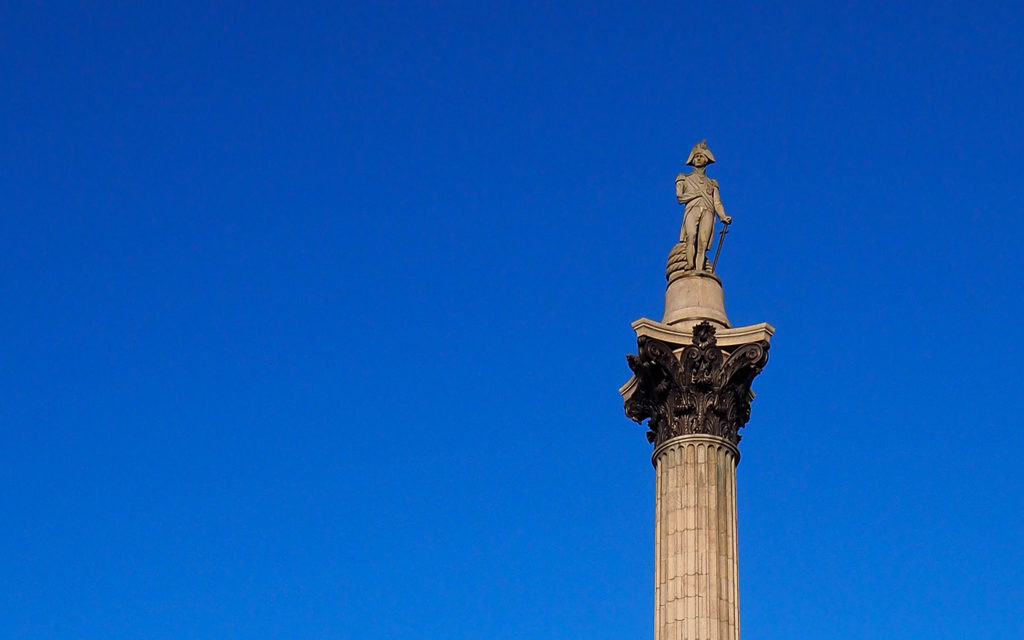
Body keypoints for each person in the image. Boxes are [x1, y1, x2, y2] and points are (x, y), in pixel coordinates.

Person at [675, 140, 732, 271]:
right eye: (696, 156)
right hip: (692, 209)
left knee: (703, 242)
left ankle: (699, 269)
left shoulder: (712, 183)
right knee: (691, 236)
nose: (699, 159)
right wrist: (696, 194)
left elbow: (717, 202)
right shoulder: (684, 178)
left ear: (706, 159)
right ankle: (690, 264)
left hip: (708, 211)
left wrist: (723, 216)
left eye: (701, 156)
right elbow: (680, 198)